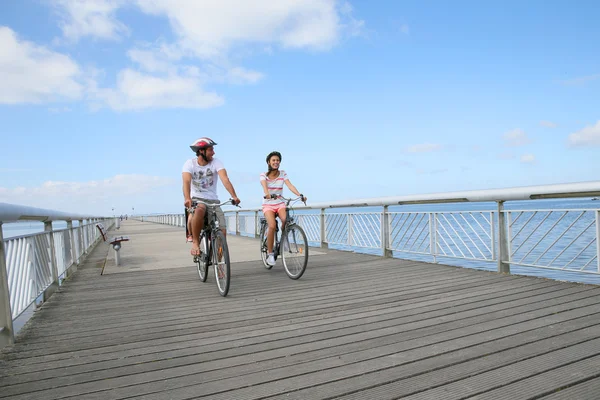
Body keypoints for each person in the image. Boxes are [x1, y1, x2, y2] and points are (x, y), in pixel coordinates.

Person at [182, 137, 241, 256]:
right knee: (199, 209)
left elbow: (225, 179)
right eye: (210, 150)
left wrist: (234, 196)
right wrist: (187, 198)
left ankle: (220, 265)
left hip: (213, 200)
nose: (213, 152)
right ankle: (195, 242)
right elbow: (186, 182)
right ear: (201, 151)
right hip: (197, 199)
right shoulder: (190, 163)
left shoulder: (216, 162)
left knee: (222, 231)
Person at [260, 151, 306, 266]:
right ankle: (270, 254)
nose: (276, 162)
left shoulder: (283, 174)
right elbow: (264, 186)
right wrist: (267, 194)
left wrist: (299, 195)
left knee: (285, 219)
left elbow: (290, 185)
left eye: (277, 160)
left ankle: (283, 239)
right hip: (268, 204)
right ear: (269, 162)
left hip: (280, 203)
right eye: (273, 160)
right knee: (272, 225)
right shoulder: (263, 175)